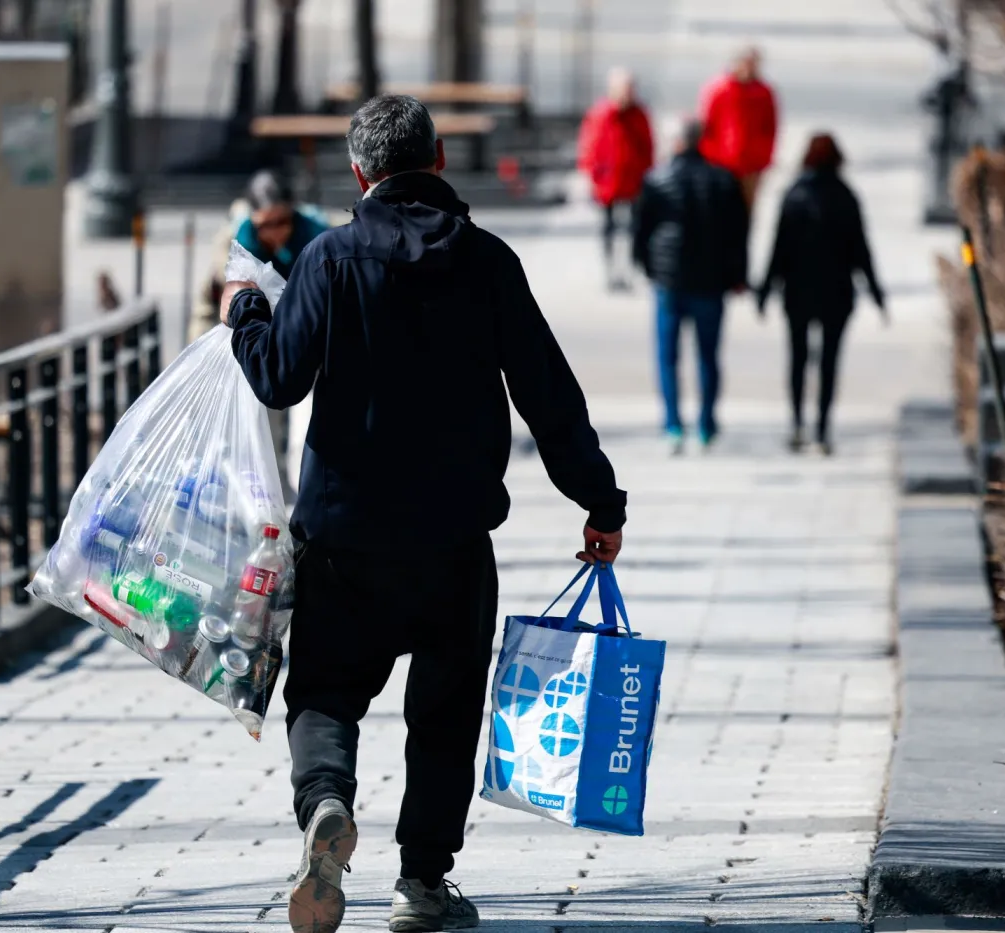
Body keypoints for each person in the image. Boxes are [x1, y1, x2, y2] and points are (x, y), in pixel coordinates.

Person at [220, 95, 627, 933]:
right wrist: (599, 499)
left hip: (340, 535)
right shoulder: (488, 261)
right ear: (438, 160)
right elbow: (549, 394)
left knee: (327, 692)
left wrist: (246, 310)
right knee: (443, 713)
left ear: (360, 173)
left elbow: (276, 379)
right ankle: (421, 883)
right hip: (451, 538)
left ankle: (327, 804)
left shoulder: (328, 261)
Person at [755, 133, 885, 456]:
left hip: (797, 291)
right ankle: (823, 429)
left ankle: (797, 423)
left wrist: (766, 288)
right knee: (829, 362)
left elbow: (778, 247)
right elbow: (861, 249)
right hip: (837, 292)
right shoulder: (845, 197)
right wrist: (876, 291)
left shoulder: (794, 196)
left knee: (798, 358)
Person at [632, 118, 749, 455]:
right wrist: (738, 275)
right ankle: (706, 425)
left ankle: (672, 424)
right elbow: (738, 234)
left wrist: (647, 267)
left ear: (676, 143)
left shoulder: (657, 179)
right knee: (708, 355)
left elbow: (641, 231)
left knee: (667, 355)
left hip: (670, 281)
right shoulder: (723, 179)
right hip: (711, 283)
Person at [188, 170, 330, 345]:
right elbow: (207, 303)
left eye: (282, 222)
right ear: (253, 219)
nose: (275, 232)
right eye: (266, 225)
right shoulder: (235, 244)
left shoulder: (315, 234)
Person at [577, 68, 654, 290]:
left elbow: (647, 146)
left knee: (633, 228)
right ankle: (610, 271)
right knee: (608, 227)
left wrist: (648, 174)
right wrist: (591, 174)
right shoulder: (600, 113)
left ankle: (629, 268)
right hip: (608, 180)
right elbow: (588, 145)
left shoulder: (639, 114)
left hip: (633, 179)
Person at [697, 47, 778, 212]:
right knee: (719, 211)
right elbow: (706, 125)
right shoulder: (719, 89)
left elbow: (770, 127)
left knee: (745, 211)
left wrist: (764, 158)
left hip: (751, 165)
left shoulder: (763, 92)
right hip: (721, 163)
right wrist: (708, 157)